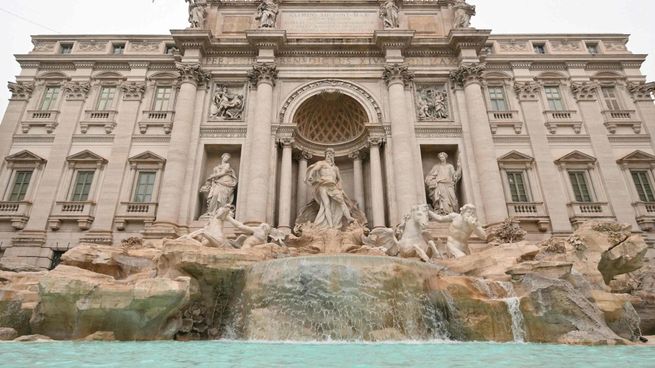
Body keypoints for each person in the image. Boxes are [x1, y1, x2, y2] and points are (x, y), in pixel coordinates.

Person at [305, 148, 355, 229]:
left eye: (331, 154)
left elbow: (339, 179)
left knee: (341, 201)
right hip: (323, 185)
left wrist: (340, 187)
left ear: (333, 156)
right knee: (326, 205)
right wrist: (310, 175)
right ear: (325, 155)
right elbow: (315, 169)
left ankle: (348, 217)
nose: (329, 155)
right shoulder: (322, 163)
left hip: (333, 186)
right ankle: (331, 225)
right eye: (328, 154)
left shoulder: (335, 168)